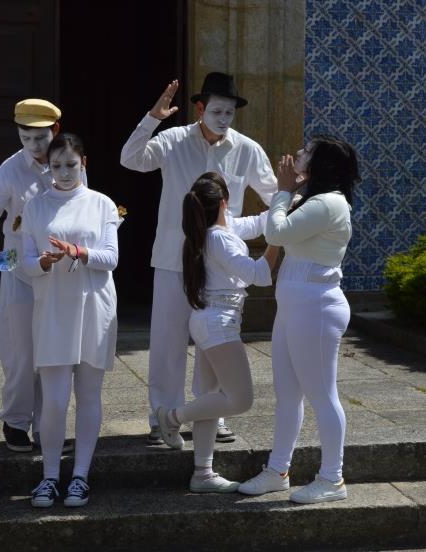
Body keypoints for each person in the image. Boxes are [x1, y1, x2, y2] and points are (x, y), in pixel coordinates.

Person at [120, 72, 277, 445]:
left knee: (217, 344)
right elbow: (131, 159)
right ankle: (162, 415)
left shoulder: (247, 149)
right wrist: (153, 117)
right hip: (174, 258)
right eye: (217, 110)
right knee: (167, 342)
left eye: (230, 112)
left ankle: (213, 413)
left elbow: (275, 196)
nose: (224, 118)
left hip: (220, 265)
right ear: (201, 108)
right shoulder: (173, 140)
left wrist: (291, 218)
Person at [238, 135, 360, 504]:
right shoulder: (310, 200)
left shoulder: (328, 204)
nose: (298, 153)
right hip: (295, 307)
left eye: (307, 151)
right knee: (288, 394)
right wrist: (286, 192)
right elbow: (272, 223)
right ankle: (278, 470)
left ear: (321, 166)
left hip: (317, 308)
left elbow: (275, 232)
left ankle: (332, 478)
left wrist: (283, 189)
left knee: (323, 395)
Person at [156, 172, 279, 492]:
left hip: (213, 319)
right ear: (225, 201)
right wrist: (278, 239)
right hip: (218, 323)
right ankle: (171, 417)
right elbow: (259, 274)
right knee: (241, 400)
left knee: (210, 398)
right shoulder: (220, 238)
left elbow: (256, 223)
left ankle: (203, 473)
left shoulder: (217, 231)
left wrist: (286, 200)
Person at [0, 99, 79, 453]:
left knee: (54, 352)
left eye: (41, 137)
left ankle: (50, 425)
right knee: (20, 351)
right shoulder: (10, 169)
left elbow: (82, 207)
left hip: (57, 272)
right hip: (18, 268)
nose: (35, 146)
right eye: (26, 138)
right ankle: (16, 420)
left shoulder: (68, 162)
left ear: (56, 131)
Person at [21, 133, 119, 508]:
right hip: (53, 307)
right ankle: (49, 476)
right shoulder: (36, 207)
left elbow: (111, 257)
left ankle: (80, 476)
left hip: (93, 305)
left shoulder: (102, 204)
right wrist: (43, 263)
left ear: (84, 164)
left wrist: (78, 252)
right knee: (55, 400)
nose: (63, 172)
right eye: (56, 165)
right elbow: (26, 262)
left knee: (89, 394)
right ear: (48, 166)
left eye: (71, 165)